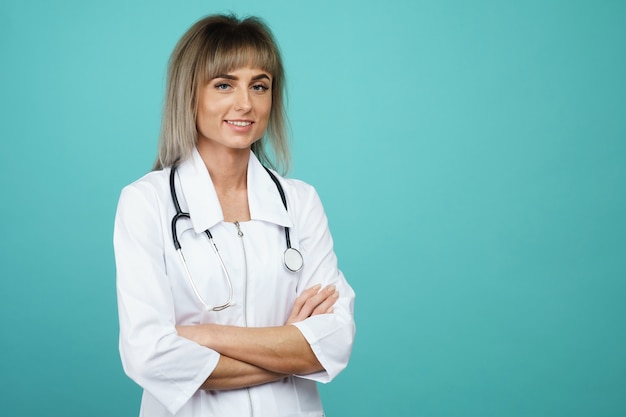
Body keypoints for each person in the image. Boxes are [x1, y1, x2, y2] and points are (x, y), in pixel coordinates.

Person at [113, 14, 356, 417]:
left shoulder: (300, 202)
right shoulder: (146, 203)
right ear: (189, 93)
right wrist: (290, 348)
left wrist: (203, 336)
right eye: (224, 84)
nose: (245, 103)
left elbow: (335, 340)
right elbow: (149, 355)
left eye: (259, 86)